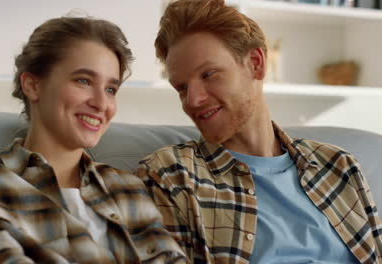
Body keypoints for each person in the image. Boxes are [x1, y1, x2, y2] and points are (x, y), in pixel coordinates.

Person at [0, 15, 187, 263]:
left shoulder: (128, 190)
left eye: (110, 89)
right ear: (32, 85)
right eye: (83, 80)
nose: (101, 103)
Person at [136, 0, 382, 263]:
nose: (192, 100)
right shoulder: (172, 176)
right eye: (182, 88)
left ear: (255, 63)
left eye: (208, 74)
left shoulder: (340, 166)